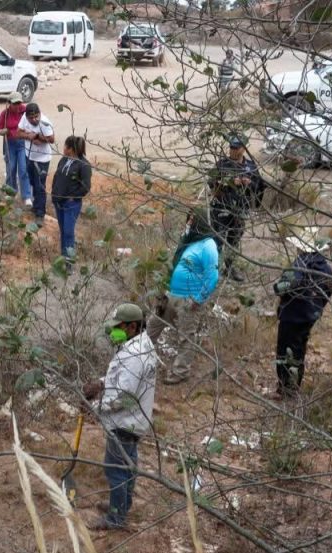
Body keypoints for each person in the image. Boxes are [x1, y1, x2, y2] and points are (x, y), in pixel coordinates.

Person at [82, 303, 157, 530]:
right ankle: (121, 505)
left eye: (119, 327)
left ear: (132, 326)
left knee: (115, 469)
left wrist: (94, 406)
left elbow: (123, 397)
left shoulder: (135, 355)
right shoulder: (140, 345)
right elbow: (122, 381)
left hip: (125, 422)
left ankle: (115, 518)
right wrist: (101, 383)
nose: (114, 331)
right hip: (134, 421)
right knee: (128, 465)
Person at [146, 210, 220, 384]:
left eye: (192, 220)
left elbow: (213, 276)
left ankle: (180, 372)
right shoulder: (190, 242)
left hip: (189, 299)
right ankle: (138, 359)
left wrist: (198, 299)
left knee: (186, 337)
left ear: (199, 223)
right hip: (171, 295)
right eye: (188, 219)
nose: (189, 223)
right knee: (152, 326)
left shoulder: (208, 245)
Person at [273, 233, 332, 399]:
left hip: (292, 316)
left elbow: (282, 287)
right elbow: (328, 292)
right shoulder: (326, 268)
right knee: (299, 350)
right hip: (309, 317)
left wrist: (278, 288)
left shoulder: (299, 265)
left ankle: (286, 390)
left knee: (285, 353)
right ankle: (293, 387)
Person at [209, 136, 264, 283]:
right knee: (218, 240)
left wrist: (249, 183)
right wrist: (230, 182)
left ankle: (230, 268)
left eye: (236, 148)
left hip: (240, 210)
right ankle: (213, 269)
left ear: (243, 148)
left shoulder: (251, 166)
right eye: (231, 148)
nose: (232, 151)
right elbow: (211, 182)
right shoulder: (222, 164)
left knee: (234, 240)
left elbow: (259, 186)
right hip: (221, 208)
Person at [51, 135, 92, 260]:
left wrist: (72, 197)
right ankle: (63, 257)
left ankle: (69, 261)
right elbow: (57, 176)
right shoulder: (64, 160)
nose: (63, 148)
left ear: (71, 149)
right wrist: (54, 192)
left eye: (65, 146)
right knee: (63, 231)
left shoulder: (84, 165)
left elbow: (85, 187)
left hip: (71, 204)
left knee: (68, 232)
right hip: (59, 201)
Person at [16, 103, 55, 218]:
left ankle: (40, 212)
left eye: (36, 116)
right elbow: (18, 133)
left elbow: (52, 139)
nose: (34, 119)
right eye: (31, 118)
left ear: (39, 113)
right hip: (29, 156)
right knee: (33, 182)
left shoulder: (44, 122)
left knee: (40, 186)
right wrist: (29, 136)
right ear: (26, 116)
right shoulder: (24, 117)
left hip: (42, 159)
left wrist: (38, 137)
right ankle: (36, 206)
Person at [0, 92, 30, 202]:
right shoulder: (4, 114)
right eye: (15, 103)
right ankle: (11, 192)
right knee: (10, 168)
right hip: (9, 143)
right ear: (9, 103)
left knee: (23, 169)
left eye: (19, 103)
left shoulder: (25, 111)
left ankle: (26, 196)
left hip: (22, 143)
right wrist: (4, 131)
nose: (17, 105)